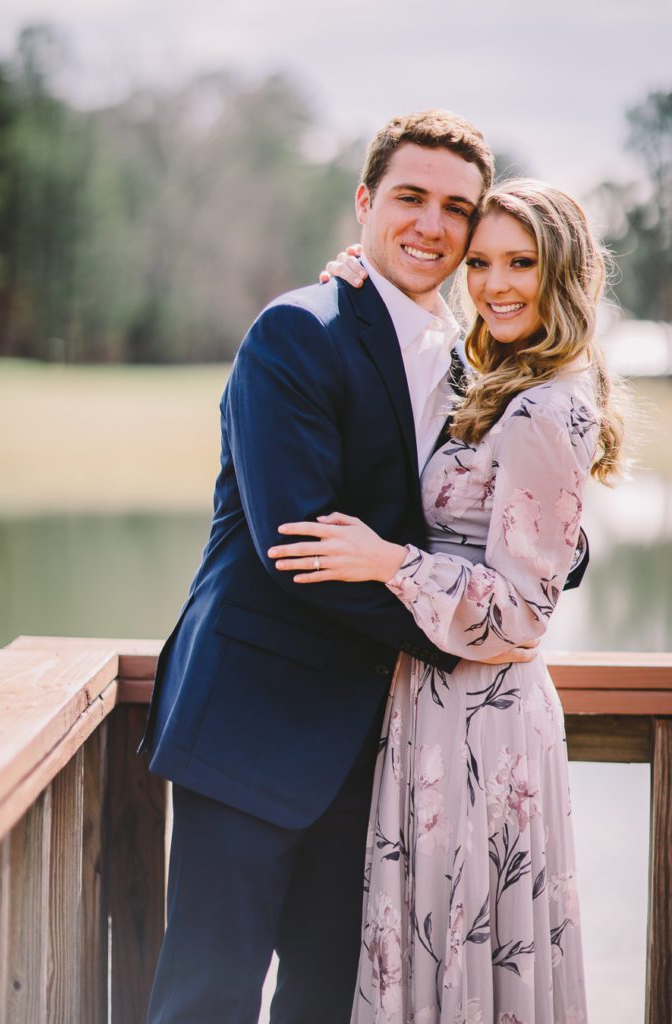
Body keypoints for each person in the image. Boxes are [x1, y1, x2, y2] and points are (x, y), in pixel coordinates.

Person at [268, 178, 625, 1023]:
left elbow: (522, 614)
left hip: (481, 718)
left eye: (520, 263)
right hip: (432, 703)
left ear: (564, 272)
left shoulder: (543, 408)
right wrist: (368, 289)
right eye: (480, 263)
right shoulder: (499, 378)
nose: (495, 284)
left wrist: (386, 561)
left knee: (462, 947)